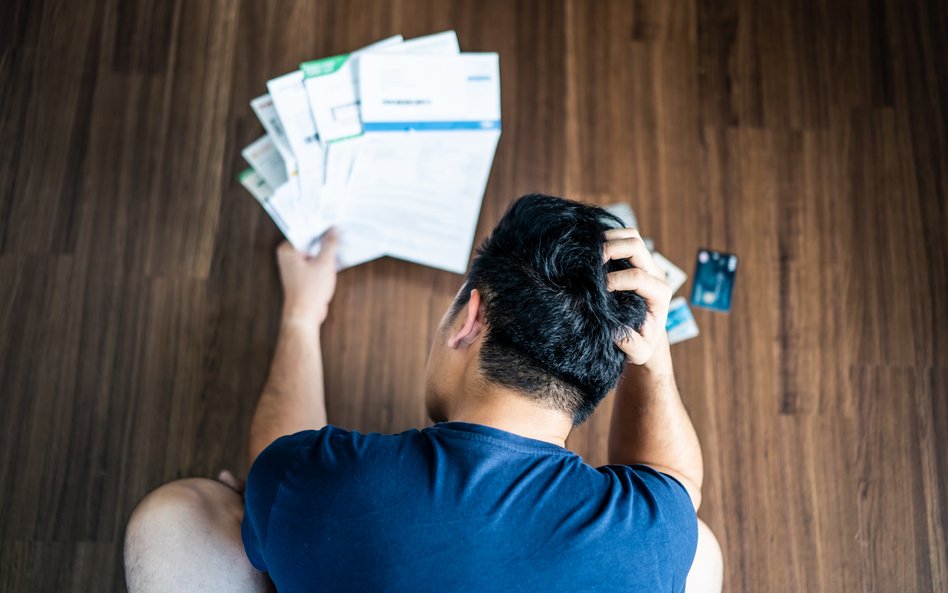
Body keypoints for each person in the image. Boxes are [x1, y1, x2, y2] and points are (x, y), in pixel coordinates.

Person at [124, 194, 723, 592]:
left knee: (177, 517)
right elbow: (672, 485)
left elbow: (280, 455)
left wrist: (302, 316)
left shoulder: (325, 484)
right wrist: (656, 361)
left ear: (471, 317)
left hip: (304, 507)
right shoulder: (649, 528)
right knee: (700, 555)